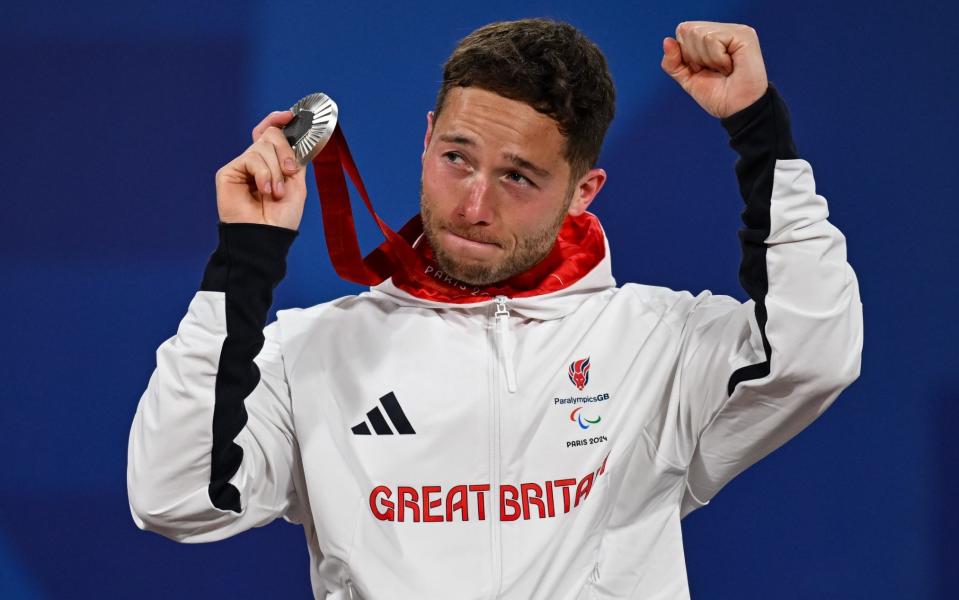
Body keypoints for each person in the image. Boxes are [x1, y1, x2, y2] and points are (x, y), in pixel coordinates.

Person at [127, 18, 863, 599]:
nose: (473, 205)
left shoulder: (659, 345)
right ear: (423, 140)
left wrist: (759, 135)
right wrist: (245, 261)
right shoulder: (311, 353)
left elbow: (813, 353)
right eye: (455, 158)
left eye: (517, 176)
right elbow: (175, 496)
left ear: (584, 191)